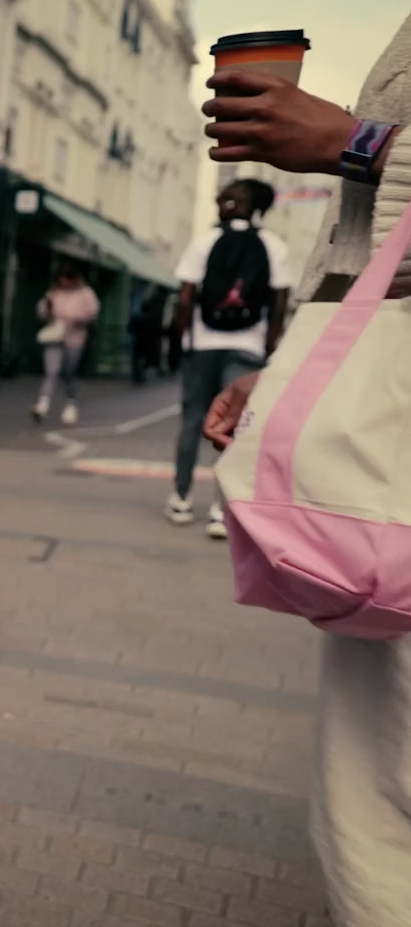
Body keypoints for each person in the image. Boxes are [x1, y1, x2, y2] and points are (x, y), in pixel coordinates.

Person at [199, 16, 411, 926]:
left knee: (379, 798)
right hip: (381, 432)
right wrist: (295, 366)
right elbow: (370, 236)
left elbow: (369, 178)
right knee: (368, 794)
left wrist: (357, 143)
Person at [166, 179, 290, 539]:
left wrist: (181, 341)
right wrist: (270, 349)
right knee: (233, 426)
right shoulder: (273, 246)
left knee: (192, 419)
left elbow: (186, 297)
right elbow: (280, 301)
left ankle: (181, 498)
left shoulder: (205, 241)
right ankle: (220, 510)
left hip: (203, 344)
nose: (221, 201)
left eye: (229, 197)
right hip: (248, 347)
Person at [31, 264, 99, 426]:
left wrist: (75, 318)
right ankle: (42, 404)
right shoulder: (54, 292)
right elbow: (41, 312)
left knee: (68, 373)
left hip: (74, 338)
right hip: (55, 335)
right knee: (51, 371)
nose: (64, 284)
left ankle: (70, 404)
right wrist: (46, 309)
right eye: (61, 280)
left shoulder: (86, 294)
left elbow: (92, 313)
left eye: (67, 280)